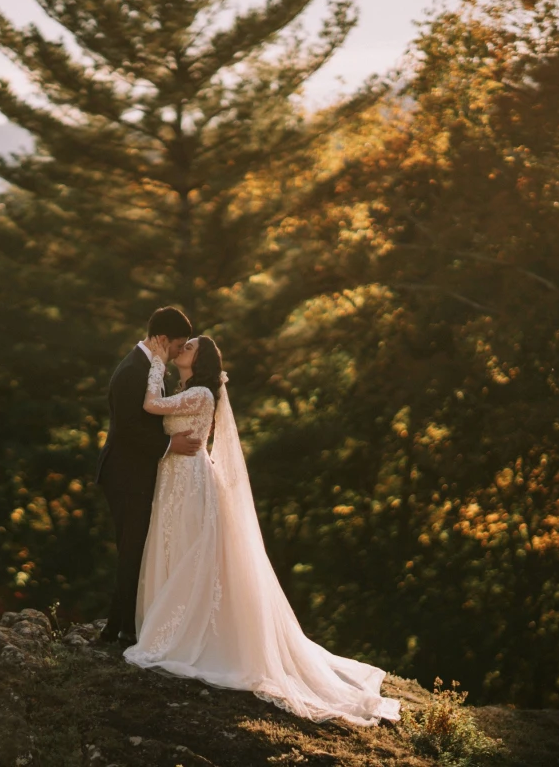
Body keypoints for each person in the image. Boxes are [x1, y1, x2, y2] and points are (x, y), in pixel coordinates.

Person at [122, 335, 402, 726]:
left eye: (189, 347)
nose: (181, 349)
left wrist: (153, 362)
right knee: (173, 544)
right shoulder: (185, 389)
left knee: (190, 549)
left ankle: (185, 632)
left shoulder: (201, 392)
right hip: (172, 478)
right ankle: (171, 622)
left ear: (199, 360)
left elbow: (151, 405)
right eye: (181, 346)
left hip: (191, 480)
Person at [93, 306, 200, 646]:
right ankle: (115, 631)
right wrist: (171, 444)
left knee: (139, 549)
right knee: (131, 549)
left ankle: (128, 625)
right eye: (177, 345)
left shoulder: (152, 368)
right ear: (163, 339)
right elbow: (127, 430)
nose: (179, 352)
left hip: (138, 473)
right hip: (125, 475)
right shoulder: (131, 372)